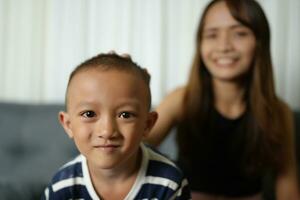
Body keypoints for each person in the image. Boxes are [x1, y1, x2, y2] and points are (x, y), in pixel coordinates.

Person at [145, 0, 299, 199]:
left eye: (240, 33)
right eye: (212, 35)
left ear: (260, 42)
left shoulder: (279, 112)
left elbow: (288, 187)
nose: (224, 46)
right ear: (200, 44)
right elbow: (130, 150)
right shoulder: (182, 99)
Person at [41, 53, 191, 200]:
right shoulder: (61, 188)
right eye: (89, 114)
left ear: (147, 124)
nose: (107, 131)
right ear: (68, 125)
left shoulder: (169, 184)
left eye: (125, 115)